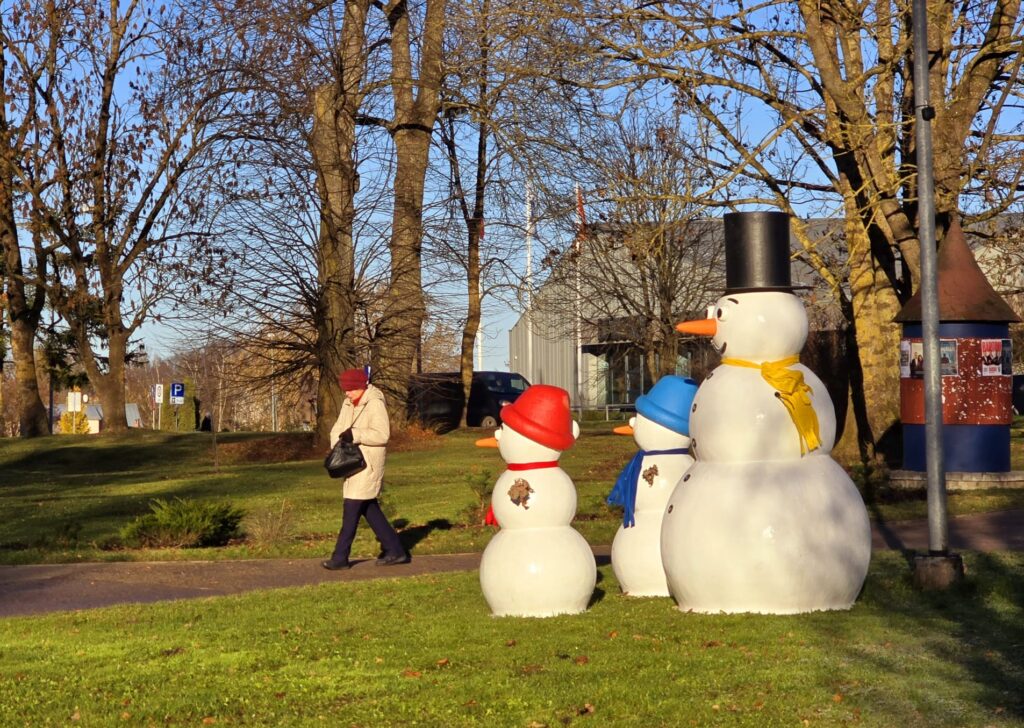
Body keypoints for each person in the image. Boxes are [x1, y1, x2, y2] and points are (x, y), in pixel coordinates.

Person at [322, 368, 410, 570]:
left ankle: (340, 557)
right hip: (351, 462)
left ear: (362, 386)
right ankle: (396, 550)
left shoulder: (375, 404)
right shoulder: (347, 403)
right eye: (345, 389)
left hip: (367, 464)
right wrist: (337, 444)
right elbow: (337, 428)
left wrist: (356, 435)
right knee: (369, 509)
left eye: (351, 389)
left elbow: (382, 435)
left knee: (351, 509)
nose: (347, 393)